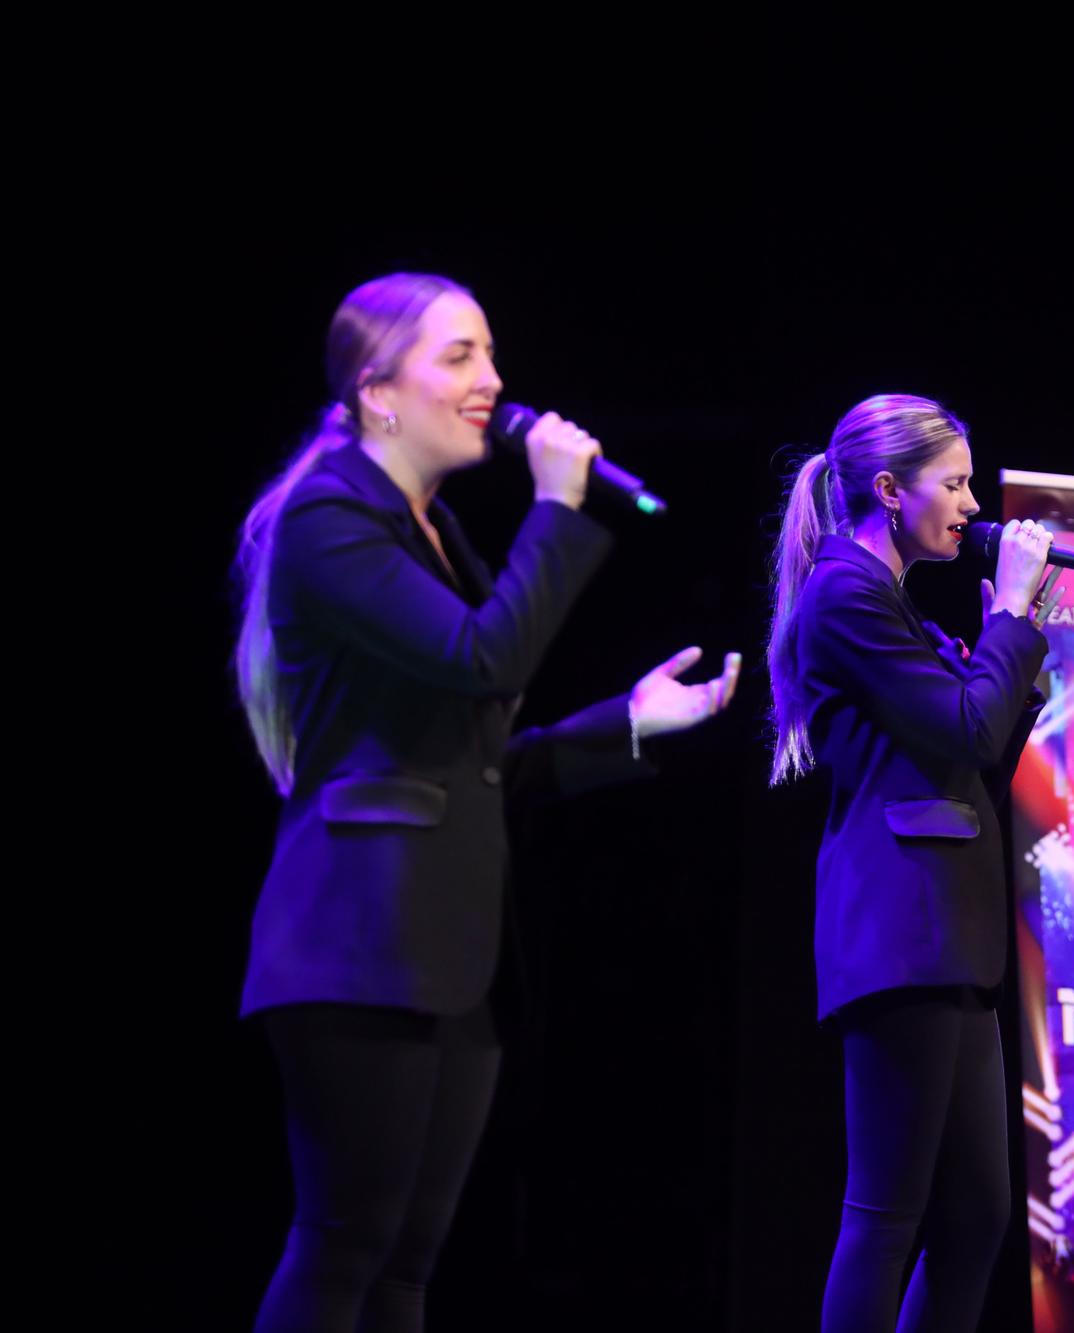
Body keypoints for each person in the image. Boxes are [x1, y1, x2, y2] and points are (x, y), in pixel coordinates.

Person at [232, 272, 740, 1332]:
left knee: (407, 1264)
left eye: (491, 355)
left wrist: (632, 723)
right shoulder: (332, 517)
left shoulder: (433, 528)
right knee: (343, 1247)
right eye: (459, 356)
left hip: (444, 947)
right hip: (356, 941)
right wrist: (556, 505)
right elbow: (484, 656)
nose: (494, 383)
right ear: (378, 391)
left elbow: (487, 756)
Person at [765, 393, 1056, 1332]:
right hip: (901, 932)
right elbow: (969, 723)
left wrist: (1015, 660)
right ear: (890, 490)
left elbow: (976, 749)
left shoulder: (891, 605)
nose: (974, 505)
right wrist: (1009, 614)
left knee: (974, 1218)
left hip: (949, 935)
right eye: (958, 482)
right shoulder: (846, 593)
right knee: (886, 1213)